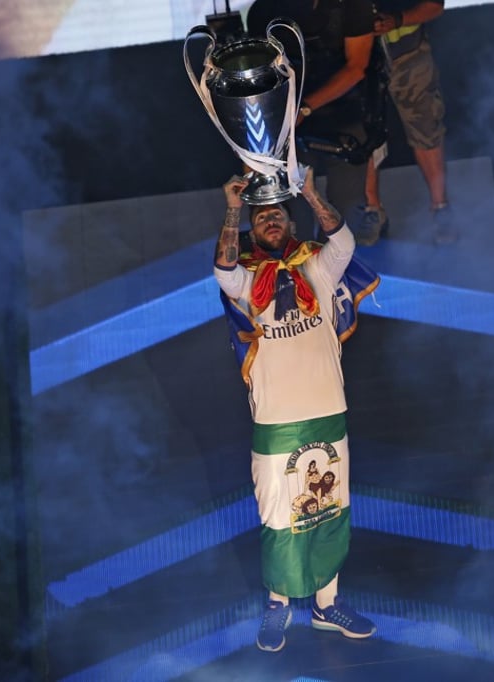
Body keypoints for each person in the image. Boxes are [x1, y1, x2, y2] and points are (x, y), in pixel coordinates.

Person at [214, 167, 378, 652]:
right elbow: (224, 271)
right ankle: (278, 606)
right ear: (252, 227)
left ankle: (328, 605)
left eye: (277, 214)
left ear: (289, 222)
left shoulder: (316, 267)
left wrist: (309, 192)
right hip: (276, 423)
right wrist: (232, 209)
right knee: (280, 518)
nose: (270, 221)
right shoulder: (248, 282)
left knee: (330, 510)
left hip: (327, 411)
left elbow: (344, 243)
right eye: (261, 217)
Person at [246, 0, 383, 245]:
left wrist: (305, 107)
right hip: (290, 126)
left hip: (343, 115)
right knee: (295, 215)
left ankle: (337, 274)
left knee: (346, 208)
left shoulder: (352, 5)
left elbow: (356, 67)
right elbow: (262, 72)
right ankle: (304, 277)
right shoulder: (263, 9)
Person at [366, 0, 458, 243]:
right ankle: (373, 211)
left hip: (408, 55)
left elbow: (434, 6)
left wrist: (397, 20)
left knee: (426, 130)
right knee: (364, 136)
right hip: (355, 59)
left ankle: (441, 207)